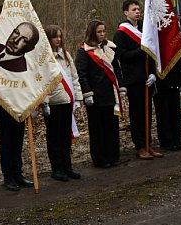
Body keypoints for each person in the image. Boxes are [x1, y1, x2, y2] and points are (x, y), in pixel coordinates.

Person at [0, 17, 31, 192]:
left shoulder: (22, 41)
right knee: (7, 139)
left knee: (18, 138)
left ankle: (18, 172)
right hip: (2, 99)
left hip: (20, 98)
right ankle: (8, 175)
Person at [113, 0, 161, 160]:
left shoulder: (145, 29)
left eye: (139, 9)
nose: (138, 12)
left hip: (147, 77)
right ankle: (140, 145)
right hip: (133, 79)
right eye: (134, 9)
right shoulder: (120, 33)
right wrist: (141, 51)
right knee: (137, 114)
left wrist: (153, 73)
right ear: (126, 12)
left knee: (148, 112)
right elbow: (122, 56)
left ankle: (148, 144)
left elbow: (152, 52)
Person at [76, 20, 122, 167]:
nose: (102, 34)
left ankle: (113, 155)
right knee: (97, 129)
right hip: (95, 96)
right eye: (99, 32)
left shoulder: (109, 48)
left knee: (112, 127)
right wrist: (87, 93)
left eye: (104, 31)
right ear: (92, 33)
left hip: (110, 93)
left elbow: (116, 69)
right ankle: (100, 159)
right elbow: (81, 74)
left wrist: (122, 87)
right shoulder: (84, 51)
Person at [43, 25, 83, 180]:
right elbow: (43, 82)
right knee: (54, 137)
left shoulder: (66, 56)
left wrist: (78, 98)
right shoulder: (44, 58)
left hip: (67, 101)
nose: (58, 40)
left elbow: (74, 77)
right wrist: (45, 103)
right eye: (55, 37)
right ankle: (57, 168)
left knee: (66, 136)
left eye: (60, 36)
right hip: (53, 103)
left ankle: (68, 166)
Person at [153, 55, 181, 151]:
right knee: (163, 112)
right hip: (159, 80)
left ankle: (177, 139)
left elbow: (178, 58)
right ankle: (166, 141)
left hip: (175, 77)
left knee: (175, 111)